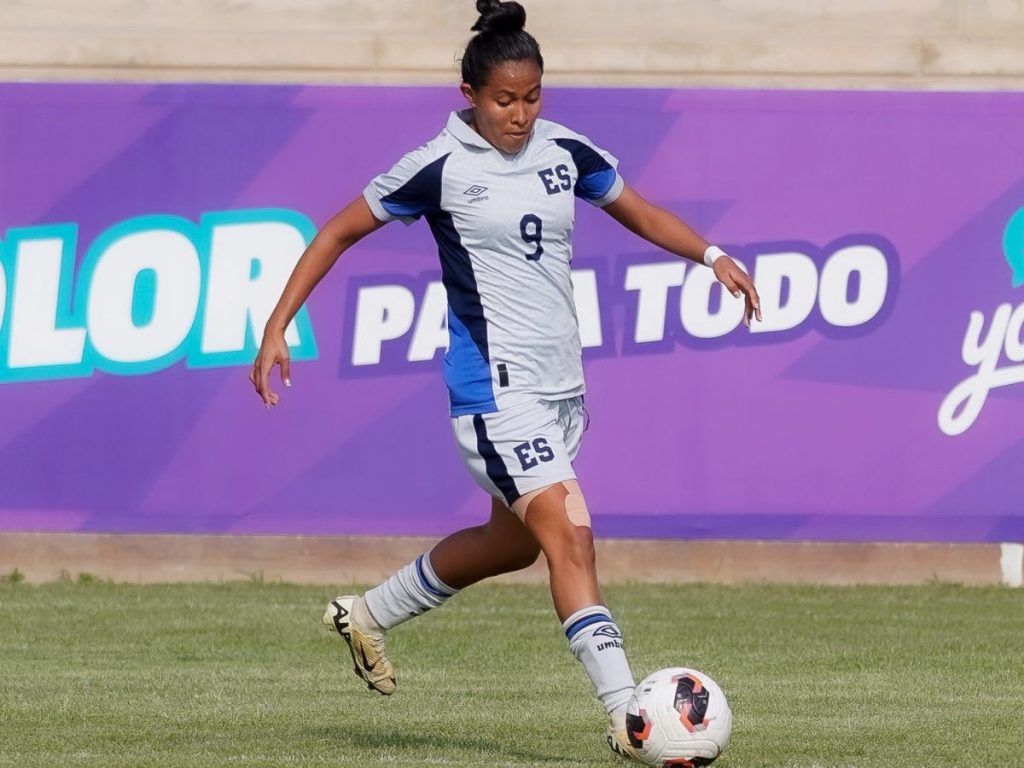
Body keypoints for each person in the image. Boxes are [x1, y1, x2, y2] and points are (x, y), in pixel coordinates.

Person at [250, 0, 761, 760]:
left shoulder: (565, 150)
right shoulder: (438, 166)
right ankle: (628, 717)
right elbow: (338, 230)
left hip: (561, 392)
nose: (520, 114)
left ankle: (366, 614)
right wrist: (277, 324)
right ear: (468, 93)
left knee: (511, 545)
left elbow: (642, 213)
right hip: (495, 392)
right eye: (503, 100)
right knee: (573, 540)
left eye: (531, 98)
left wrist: (712, 254)